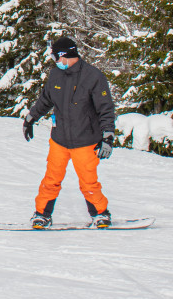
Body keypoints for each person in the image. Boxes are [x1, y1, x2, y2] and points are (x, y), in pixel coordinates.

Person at [22, 35, 116, 228]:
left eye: (56, 57)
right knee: (51, 179)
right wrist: (31, 117)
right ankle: (42, 215)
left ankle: (100, 214)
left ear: (65, 55)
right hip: (60, 139)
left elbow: (105, 108)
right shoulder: (56, 74)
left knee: (89, 182)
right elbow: (46, 99)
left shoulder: (93, 76)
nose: (54, 61)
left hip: (86, 140)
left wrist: (107, 136)